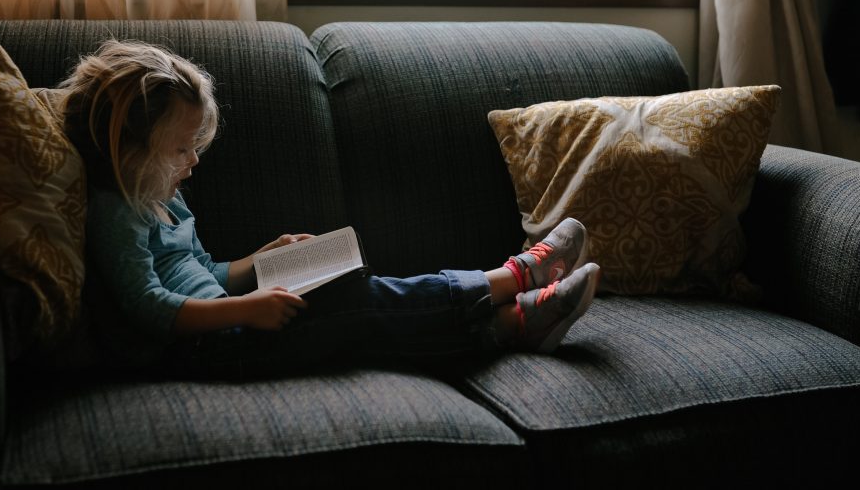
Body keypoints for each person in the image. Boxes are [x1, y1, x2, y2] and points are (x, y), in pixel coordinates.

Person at [61, 39, 601, 377]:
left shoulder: (163, 198)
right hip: (205, 350)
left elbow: (204, 274)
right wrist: (246, 308)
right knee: (356, 304)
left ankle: (512, 322)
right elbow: (150, 306)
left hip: (226, 325)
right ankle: (515, 278)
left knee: (359, 306)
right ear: (129, 149)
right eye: (181, 149)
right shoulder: (116, 212)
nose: (194, 162)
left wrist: (259, 260)